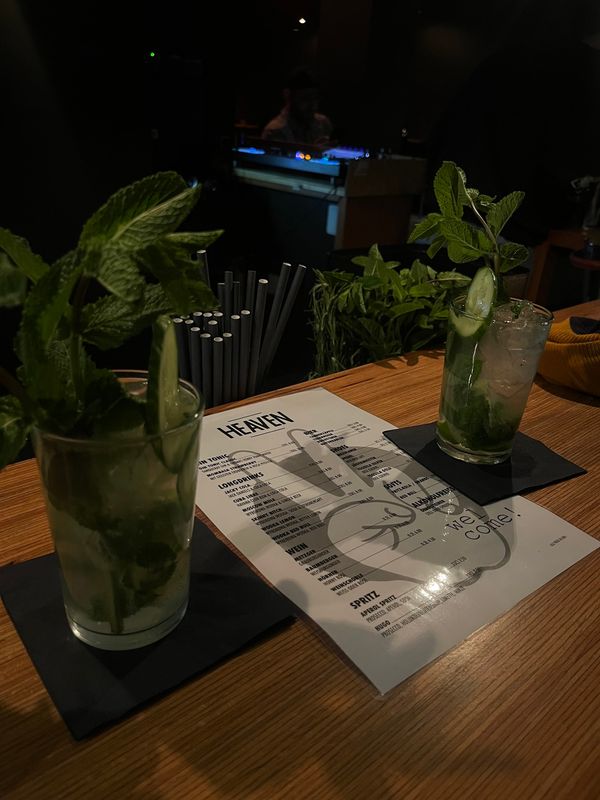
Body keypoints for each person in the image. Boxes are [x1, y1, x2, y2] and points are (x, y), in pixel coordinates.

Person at [262, 68, 333, 146]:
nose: (313, 105)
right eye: (305, 98)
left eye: (315, 98)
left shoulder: (323, 123)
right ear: (288, 96)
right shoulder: (275, 131)